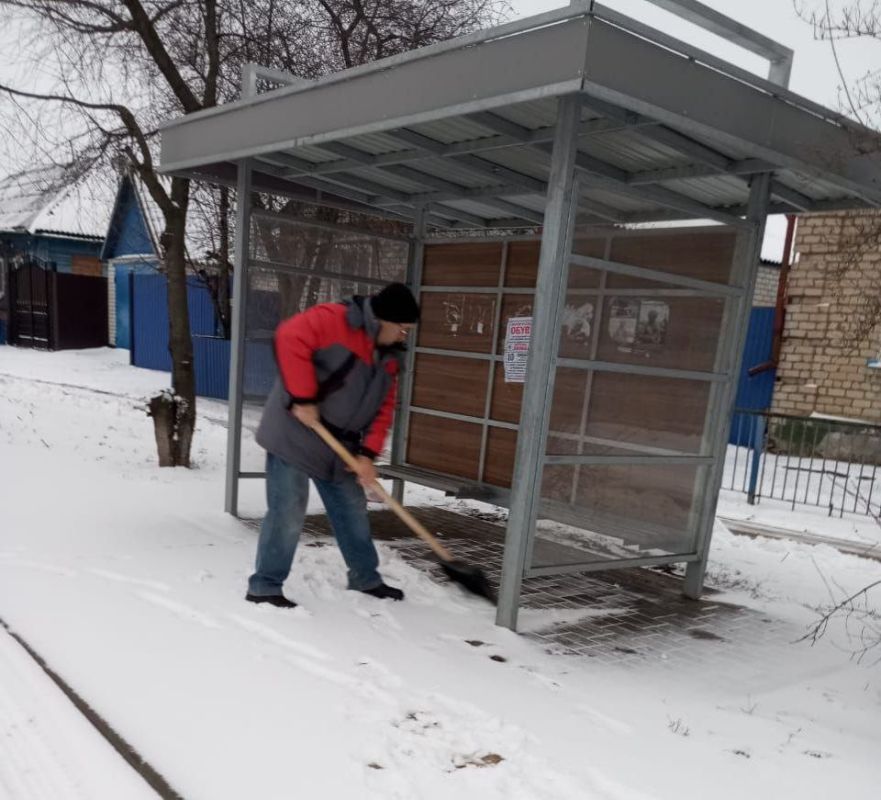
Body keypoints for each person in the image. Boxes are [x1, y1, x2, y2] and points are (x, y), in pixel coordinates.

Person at [245, 282, 420, 609]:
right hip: (295, 431)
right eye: (402, 329)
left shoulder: (391, 357)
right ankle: (264, 586)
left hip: (340, 444)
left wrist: (368, 454)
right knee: (288, 510)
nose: (404, 337)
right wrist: (303, 396)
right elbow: (288, 336)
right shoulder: (337, 319)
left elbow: (384, 407)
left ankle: (365, 577)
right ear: (384, 320)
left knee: (352, 509)